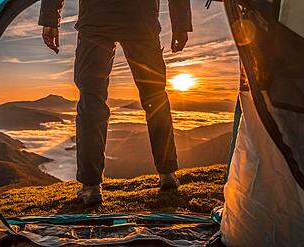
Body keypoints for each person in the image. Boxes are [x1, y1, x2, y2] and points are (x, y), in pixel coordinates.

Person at [39, 0, 192, 205]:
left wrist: (50, 19)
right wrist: (180, 24)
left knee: (92, 99)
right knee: (154, 96)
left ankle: (91, 186)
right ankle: (167, 173)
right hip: (141, 18)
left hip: (96, 18)